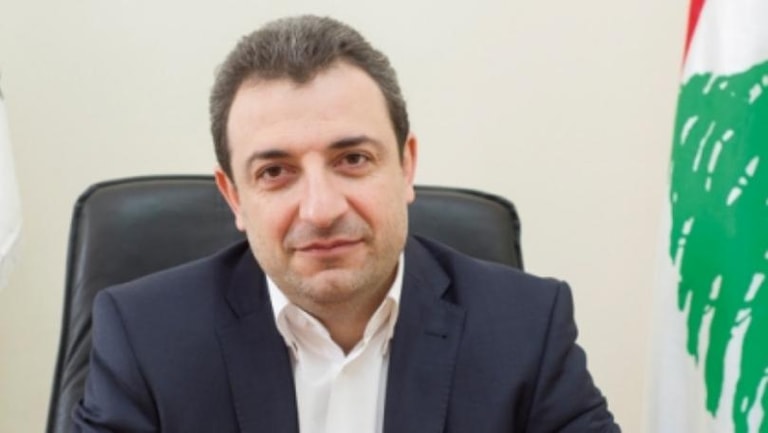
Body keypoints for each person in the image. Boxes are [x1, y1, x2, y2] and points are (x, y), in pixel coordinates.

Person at [73, 15, 620, 432]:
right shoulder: (145, 337)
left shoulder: (527, 327)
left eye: (352, 159)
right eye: (275, 172)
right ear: (234, 196)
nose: (321, 209)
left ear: (406, 166)